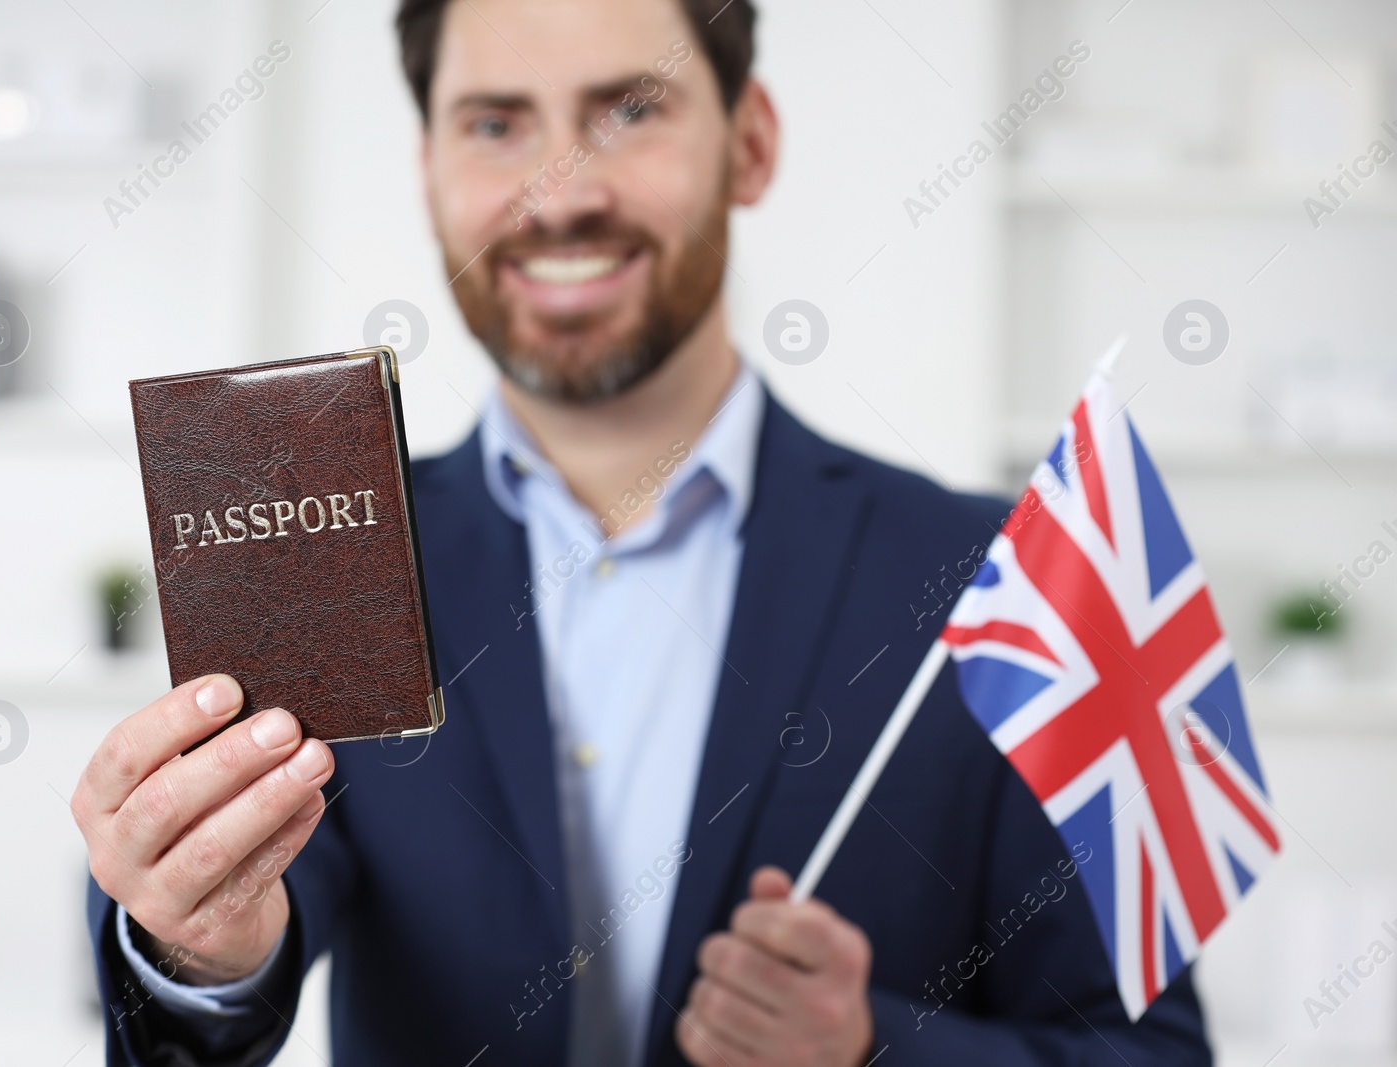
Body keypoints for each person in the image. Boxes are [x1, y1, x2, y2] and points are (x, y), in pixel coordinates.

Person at [73, 0, 1212, 1064]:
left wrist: (872, 1045)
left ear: (750, 144)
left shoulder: (1006, 577)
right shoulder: (322, 552)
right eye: (495, 123)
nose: (560, 194)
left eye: (631, 110)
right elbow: (217, 966)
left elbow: (1149, 1048)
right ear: (428, 172)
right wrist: (192, 943)